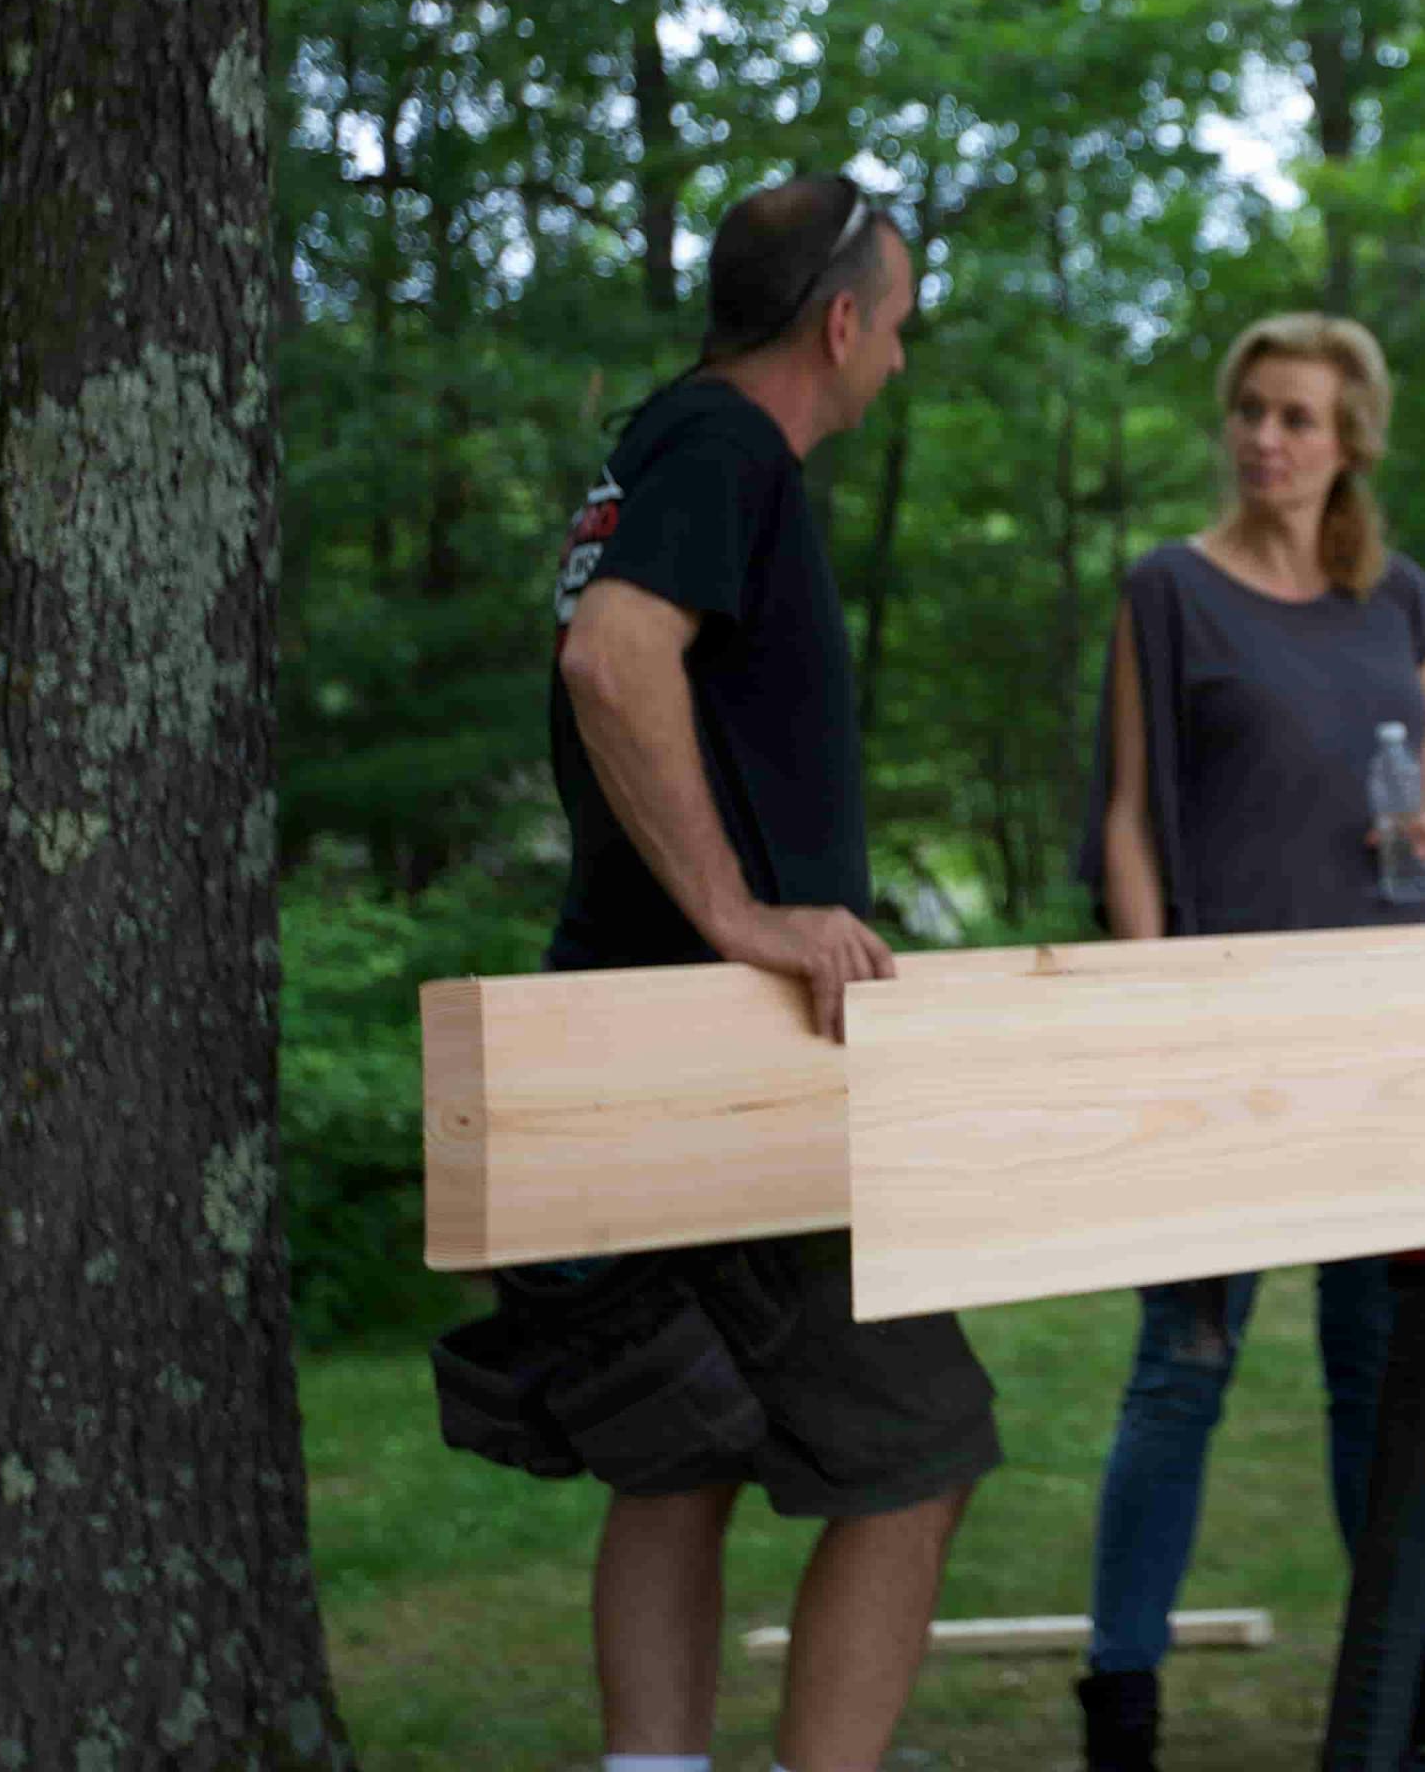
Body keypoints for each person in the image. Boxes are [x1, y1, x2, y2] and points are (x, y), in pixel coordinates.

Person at [536, 174, 997, 1772]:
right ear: (843, 320)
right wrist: (742, 915)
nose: (900, 365)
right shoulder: (727, 447)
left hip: (648, 1034)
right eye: (901, 330)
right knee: (920, 1448)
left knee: (678, 1456)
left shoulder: (669, 442)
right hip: (731, 1048)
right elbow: (612, 655)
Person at [1068, 312, 1425, 1772]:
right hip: (1220, 1034)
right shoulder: (1168, 592)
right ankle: (1123, 1701)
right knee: (1182, 1362)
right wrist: (1150, 1005)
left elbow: (1421, 814)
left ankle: (1406, 1675)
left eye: (1298, 416)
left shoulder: (1402, 606)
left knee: (1380, 1375)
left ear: (1348, 438)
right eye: (1250, 410)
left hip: (1381, 1029)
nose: (1265, 438)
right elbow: (1127, 816)